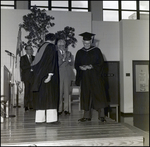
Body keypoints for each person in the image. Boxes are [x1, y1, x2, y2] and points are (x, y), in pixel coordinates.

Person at [74, 32, 108, 122]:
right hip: (85, 77)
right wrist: (80, 67)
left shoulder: (97, 51)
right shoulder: (80, 52)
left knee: (99, 95)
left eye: (88, 43)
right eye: (85, 43)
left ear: (91, 42)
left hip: (95, 77)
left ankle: (101, 116)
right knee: (86, 95)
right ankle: (86, 116)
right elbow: (76, 64)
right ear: (82, 42)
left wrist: (91, 66)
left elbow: (101, 63)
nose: (86, 45)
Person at [31, 33, 60, 124]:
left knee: (42, 97)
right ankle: (51, 119)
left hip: (40, 76)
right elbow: (51, 61)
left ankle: (40, 119)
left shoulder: (41, 47)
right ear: (54, 40)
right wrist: (50, 75)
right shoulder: (51, 47)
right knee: (50, 96)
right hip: (48, 76)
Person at [57, 39, 75, 115]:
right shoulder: (56, 53)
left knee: (67, 92)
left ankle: (66, 109)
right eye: (60, 45)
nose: (62, 47)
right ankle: (59, 109)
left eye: (63, 45)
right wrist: (64, 59)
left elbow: (71, 64)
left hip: (67, 74)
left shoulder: (69, 53)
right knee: (60, 92)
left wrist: (70, 60)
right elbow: (57, 64)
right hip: (59, 74)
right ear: (58, 46)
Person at [20, 45, 35, 111]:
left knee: (32, 91)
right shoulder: (23, 58)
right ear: (26, 50)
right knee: (27, 91)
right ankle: (26, 105)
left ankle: (31, 105)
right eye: (28, 49)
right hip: (26, 77)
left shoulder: (34, 57)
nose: (30, 50)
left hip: (33, 77)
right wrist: (30, 66)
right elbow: (22, 67)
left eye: (31, 49)